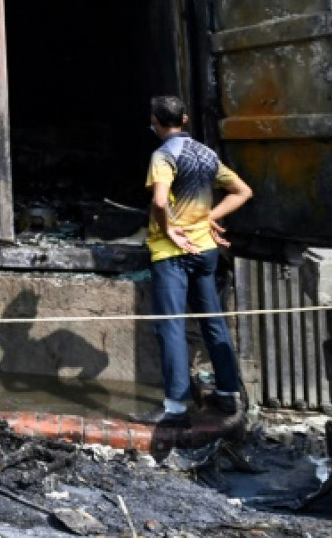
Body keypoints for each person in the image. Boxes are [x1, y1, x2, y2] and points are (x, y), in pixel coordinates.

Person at [130, 95, 253, 427]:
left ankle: (175, 408)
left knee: (172, 325)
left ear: (156, 123)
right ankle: (227, 394)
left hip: (173, 254)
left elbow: (159, 200)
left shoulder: (163, 155)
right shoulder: (207, 154)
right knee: (212, 320)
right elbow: (243, 191)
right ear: (184, 119)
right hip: (206, 251)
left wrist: (171, 230)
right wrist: (209, 218)